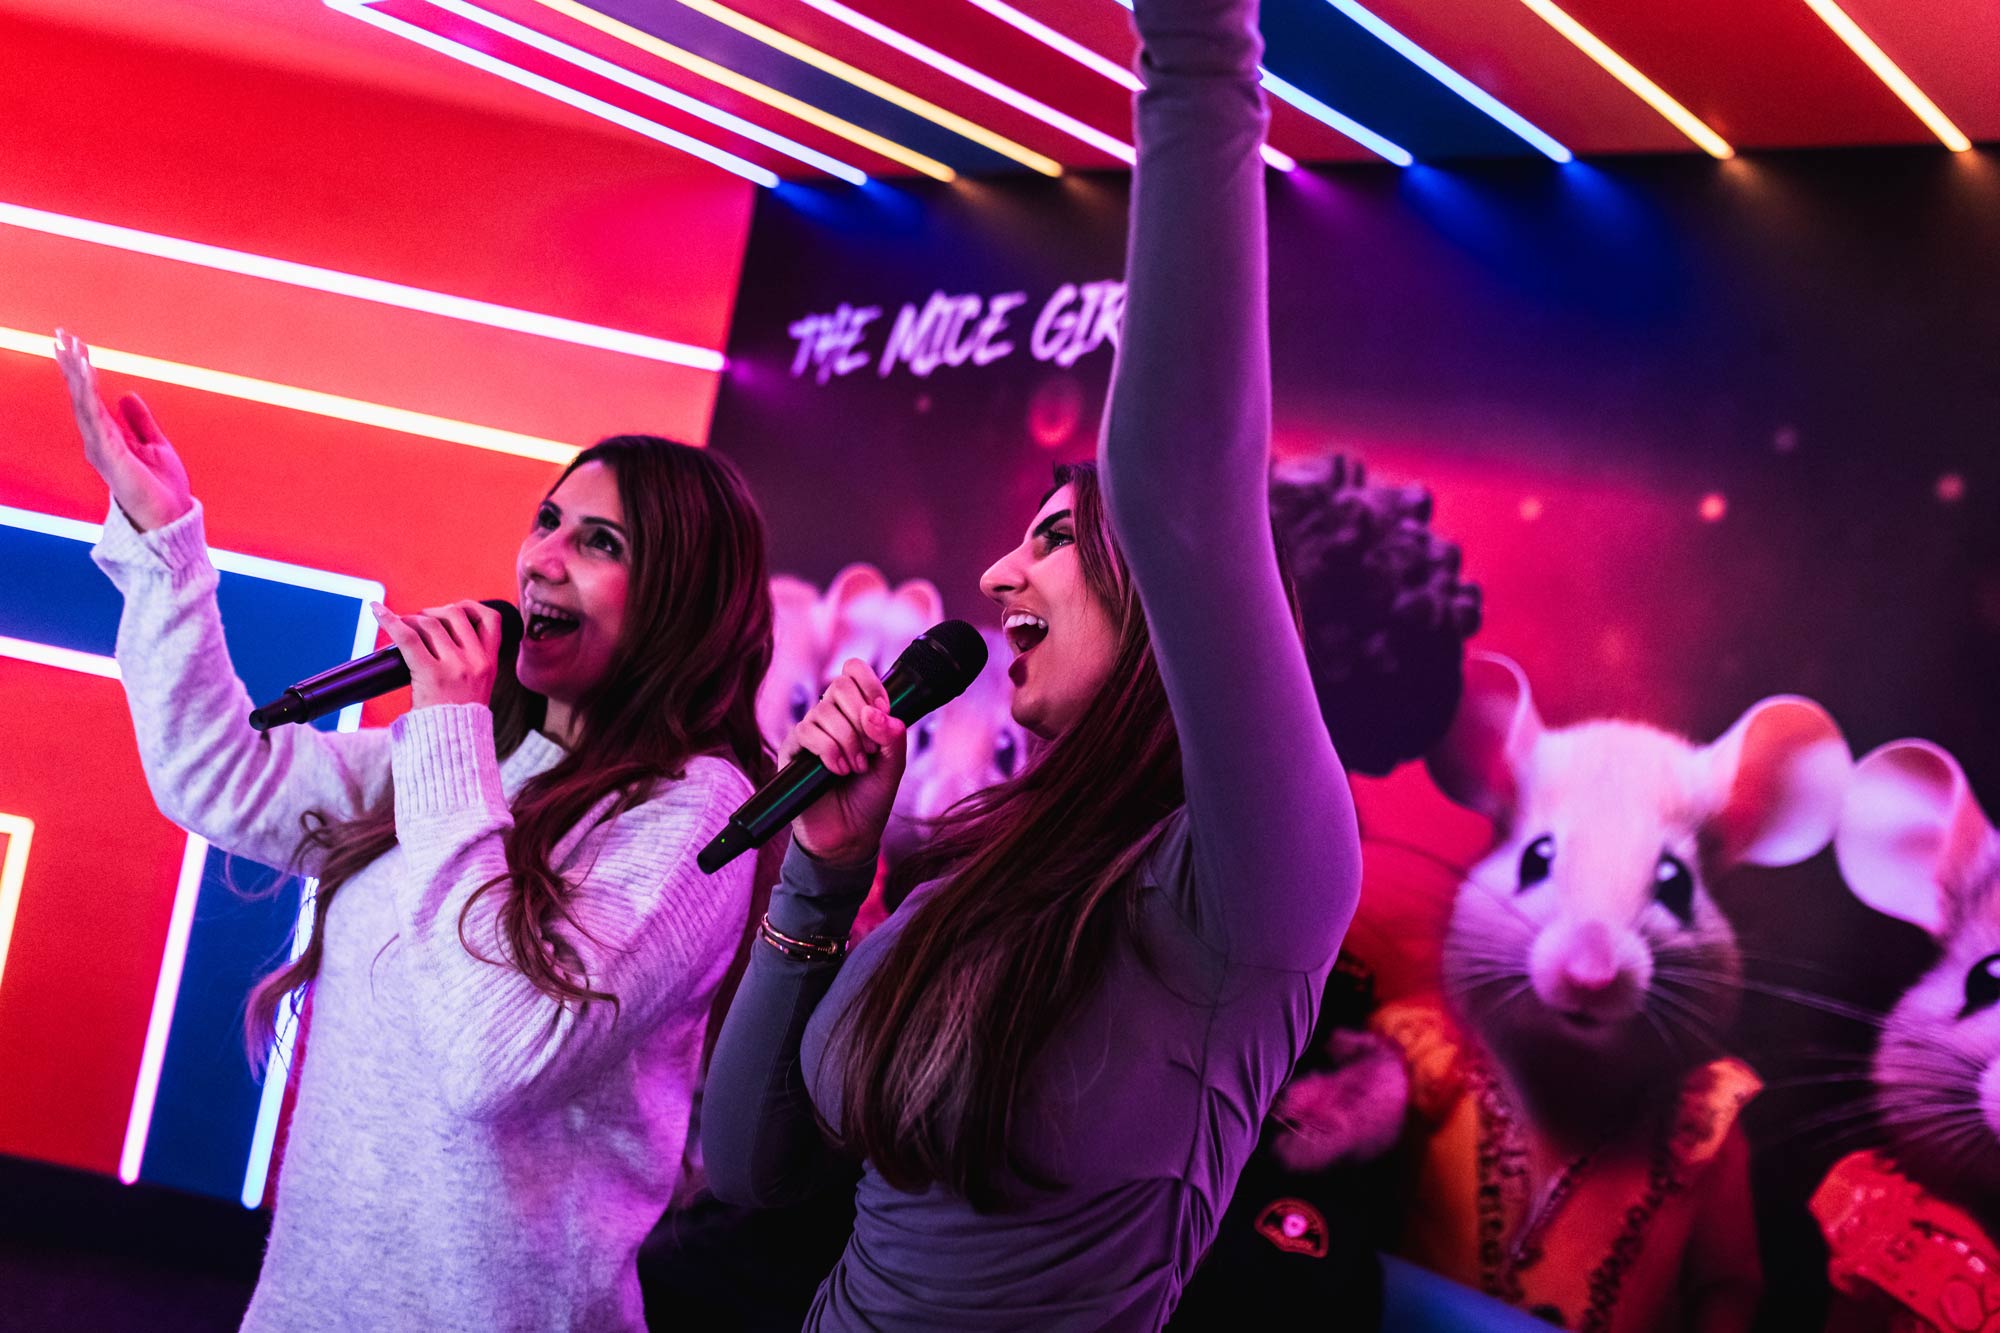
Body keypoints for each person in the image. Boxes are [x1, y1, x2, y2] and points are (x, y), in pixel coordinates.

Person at [699, 0, 1363, 1325]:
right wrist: (825, 877)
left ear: (1151, 593)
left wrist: (1194, 47)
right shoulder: (985, 859)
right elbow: (749, 1164)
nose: (999, 574)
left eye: (1054, 538)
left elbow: (1180, 490)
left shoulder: (1248, 901)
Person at [56, 327, 774, 1333]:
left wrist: (446, 729)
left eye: (600, 544)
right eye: (548, 521)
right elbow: (216, 775)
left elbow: (496, 1057)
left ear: (681, 600)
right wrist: (166, 538)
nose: (543, 559)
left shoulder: (689, 810)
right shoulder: (478, 762)